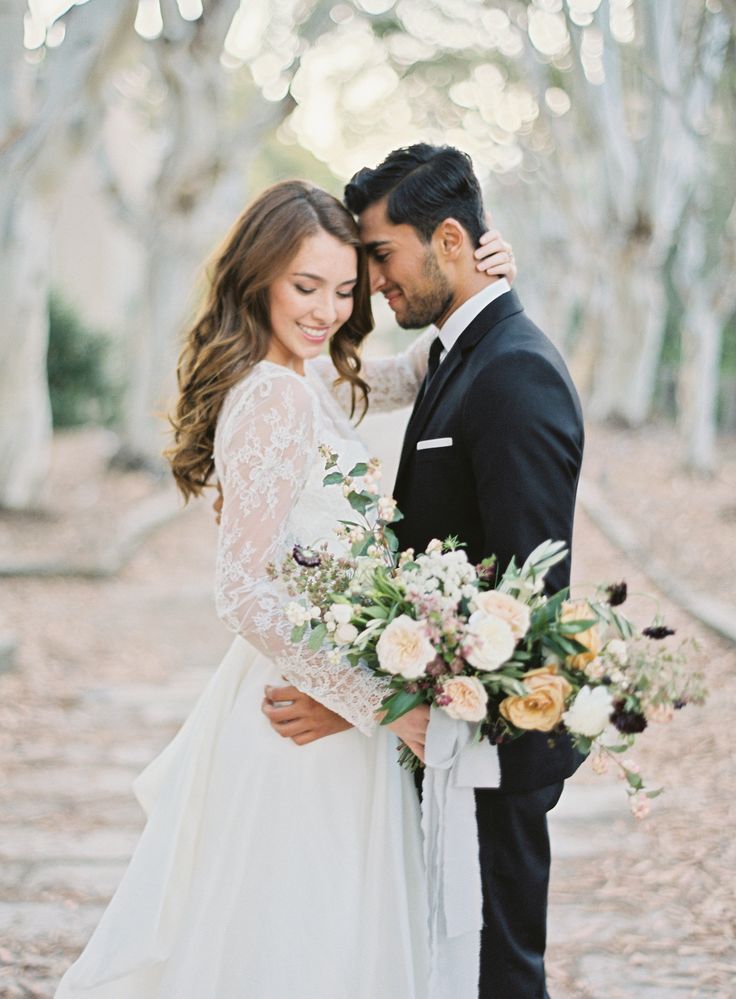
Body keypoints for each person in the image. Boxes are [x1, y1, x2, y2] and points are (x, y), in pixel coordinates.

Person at [53, 178, 515, 999]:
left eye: (345, 290)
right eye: (305, 287)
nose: (327, 311)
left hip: (320, 695)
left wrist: (485, 284)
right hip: (299, 718)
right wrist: (381, 698)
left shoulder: (303, 378)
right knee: (300, 935)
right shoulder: (273, 395)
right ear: (258, 276)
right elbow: (241, 589)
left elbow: (411, 368)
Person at [267, 146, 585, 999]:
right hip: (445, 744)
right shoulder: (455, 352)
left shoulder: (514, 370)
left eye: (378, 257)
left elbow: (525, 602)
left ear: (449, 238)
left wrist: (379, 705)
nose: (371, 285)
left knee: (497, 976)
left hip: (492, 750)